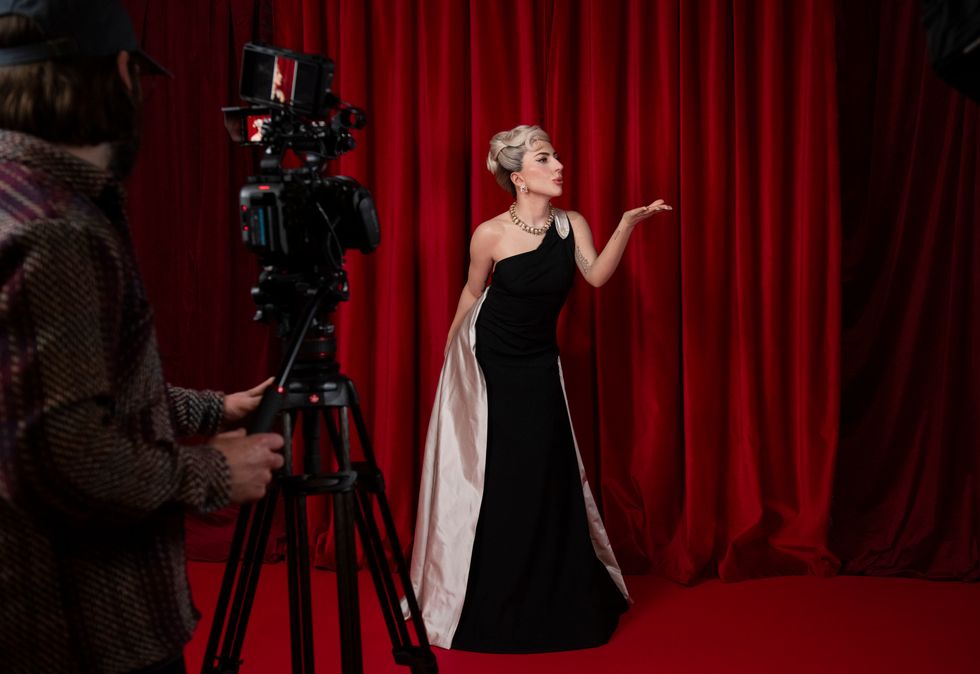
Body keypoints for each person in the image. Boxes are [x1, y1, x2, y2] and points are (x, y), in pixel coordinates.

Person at [0, 2, 285, 673]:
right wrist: (214, 470)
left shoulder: (15, 196)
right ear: (119, 74)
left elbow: (51, 390)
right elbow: (62, 455)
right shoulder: (57, 227)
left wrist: (213, 407)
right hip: (82, 628)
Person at [409, 124, 671, 652]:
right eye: (544, 159)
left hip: (539, 364)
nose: (558, 167)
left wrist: (626, 225)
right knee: (501, 476)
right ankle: (488, 593)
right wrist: (450, 354)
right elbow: (471, 290)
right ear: (518, 176)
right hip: (491, 362)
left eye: (555, 157)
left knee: (547, 471)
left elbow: (595, 276)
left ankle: (552, 590)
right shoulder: (488, 233)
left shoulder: (572, 225)